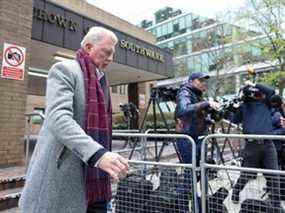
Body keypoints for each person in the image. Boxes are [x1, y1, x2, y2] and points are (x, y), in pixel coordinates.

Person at [19, 27, 129, 213]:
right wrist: (99, 154)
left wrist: (108, 159)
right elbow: (58, 118)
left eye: (113, 54)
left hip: (95, 181)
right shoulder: (64, 69)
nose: (111, 59)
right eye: (107, 52)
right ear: (88, 47)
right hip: (62, 176)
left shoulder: (103, 82)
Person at [231, 81, 283, 212]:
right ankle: (236, 191)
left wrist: (254, 84)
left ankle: (276, 204)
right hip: (251, 145)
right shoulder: (244, 106)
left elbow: (271, 91)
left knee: (274, 174)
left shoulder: (265, 103)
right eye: (250, 92)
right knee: (247, 174)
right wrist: (237, 103)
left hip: (268, 144)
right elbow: (234, 119)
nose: (253, 94)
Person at [175, 72, 220, 212]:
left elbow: (194, 118)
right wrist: (206, 103)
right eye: (200, 80)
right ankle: (182, 206)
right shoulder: (184, 92)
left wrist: (208, 120)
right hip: (187, 140)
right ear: (192, 81)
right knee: (191, 176)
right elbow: (183, 110)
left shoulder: (196, 95)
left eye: (205, 81)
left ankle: (200, 207)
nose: (203, 83)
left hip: (197, 138)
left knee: (201, 174)